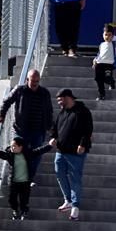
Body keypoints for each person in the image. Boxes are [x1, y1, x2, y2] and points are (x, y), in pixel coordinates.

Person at [0, 68, 54, 182]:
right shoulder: (20, 90)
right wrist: (1, 115)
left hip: (37, 131)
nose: (34, 84)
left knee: (36, 156)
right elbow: (6, 101)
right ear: (27, 79)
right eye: (32, 81)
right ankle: (15, 178)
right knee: (16, 154)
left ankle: (29, 178)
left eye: (37, 81)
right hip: (20, 130)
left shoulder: (44, 93)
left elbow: (49, 110)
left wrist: (49, 127)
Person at [49, 89, 93, 221]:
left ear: (68, 98)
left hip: (76, 152)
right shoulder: (62, 112)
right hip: (61, 151)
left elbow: (88, 129)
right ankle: (67, 199)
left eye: (60, 99)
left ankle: (75, 205)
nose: (59, 102)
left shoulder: (82, 111)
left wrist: (83, 144)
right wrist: (53, 137)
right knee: (59, 173)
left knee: (75, 178)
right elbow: (55, 128)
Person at [0, 136, 51, 220]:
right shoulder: (10, 154)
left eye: (14, 146)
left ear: (20, 147)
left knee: (24, 199)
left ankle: (24, 212)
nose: (12, 148)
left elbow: (38, 151)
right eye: (11, 146)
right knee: (12, 199)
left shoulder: (28, 153)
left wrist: (49, 146)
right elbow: (4, 154)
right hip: (13, 182)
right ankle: (15, 210)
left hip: (25, 182)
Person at [91, 26, 116, 101]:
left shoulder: (113, 44)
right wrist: (95, 60)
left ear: (112, 36)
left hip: (108, 65)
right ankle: (101, 94)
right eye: (106, 35)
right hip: (99, 64)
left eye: (109, 35)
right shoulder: (101, 44)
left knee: (107, 78)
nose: (107, 37)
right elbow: (99, 54)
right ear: (103, 35)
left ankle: (112, 82)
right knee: (99, 79)